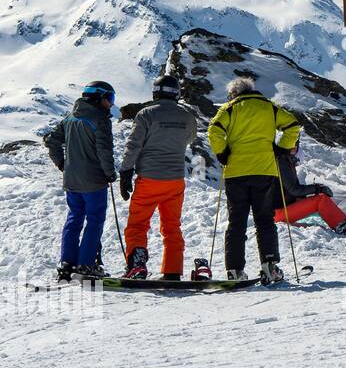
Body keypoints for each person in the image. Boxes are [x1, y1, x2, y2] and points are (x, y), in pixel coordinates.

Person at [207, 76, 302, 282]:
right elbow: (293, 126)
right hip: (264, 171)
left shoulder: (230, 108)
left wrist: (222, 153)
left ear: (234, 93)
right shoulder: (270, 107)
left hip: (235, 173)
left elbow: (213, 130)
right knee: (264, 219)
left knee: (236, 222)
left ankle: (234, 270)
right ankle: (270, 266)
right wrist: (282, 148)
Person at [119, 74, 198, 280]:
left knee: (137, 225)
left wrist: (125, 171)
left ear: (155, 92)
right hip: (175, 180)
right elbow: (189, 139)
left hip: (149, 179)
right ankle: (172, 270)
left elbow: (133, 145)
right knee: (172, 226)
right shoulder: (187, 116)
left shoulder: (146, 114)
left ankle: (137, 266)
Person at [43, 81, 118, 280]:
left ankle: (67, 263)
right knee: (94, 220)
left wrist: (62, 164)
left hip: (72, 181)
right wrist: (110, 173)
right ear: (97, 97)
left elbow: (51, 141)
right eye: (109, 98)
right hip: (93, 181)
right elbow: (104, 150)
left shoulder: (70, 117)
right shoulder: (100, 119)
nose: (111, 104)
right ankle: (85, 265)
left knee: (74, 218)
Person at [274, 143, 346, 236]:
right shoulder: (282, 161)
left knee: (315, 201)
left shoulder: (281, 160)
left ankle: (342, 222)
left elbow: (290, 190)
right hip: (279, 213)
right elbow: (294, 189)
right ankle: (345, 228)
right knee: (320, 200)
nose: (296, 163)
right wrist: (318, 188)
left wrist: (309, 195)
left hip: (278, 211)